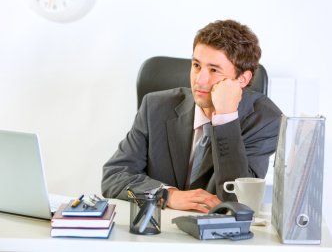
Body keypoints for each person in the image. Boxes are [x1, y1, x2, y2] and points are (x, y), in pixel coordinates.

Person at [101, 19, 282, 213]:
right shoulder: (155, 107)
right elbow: (113, 177)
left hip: (218, 238)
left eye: (214, 70)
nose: (200, 80)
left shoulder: (264, 120)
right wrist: (167, 195)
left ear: (242, 79)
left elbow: (236, 201)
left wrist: (225, 118)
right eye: (196, 65)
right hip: (159, 233)